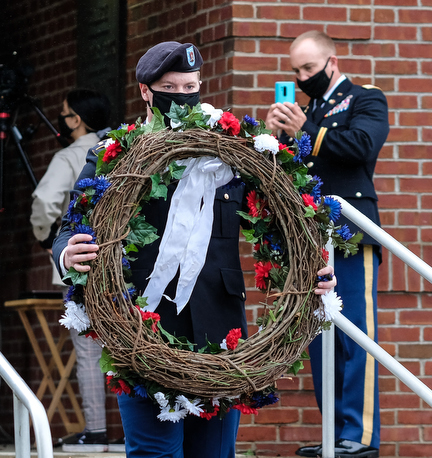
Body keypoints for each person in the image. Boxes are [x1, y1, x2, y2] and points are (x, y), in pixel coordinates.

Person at [52, 41, 338, 458]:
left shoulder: (232, 154)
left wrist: (315, 269)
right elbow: (70, 227)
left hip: (218, 327)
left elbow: (286, 223)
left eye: (192, 86)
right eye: (172, 86)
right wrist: (67, 254)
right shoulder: (114, 155)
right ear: (146, 91)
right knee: (154, 453)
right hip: (139, 327)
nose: (184, 96)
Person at [266, 31, 389, 458]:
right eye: (296, 71)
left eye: (309, 69)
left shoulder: (365, 98)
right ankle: (334, 436)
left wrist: (308, 128)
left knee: (356, 334)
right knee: (321, 339)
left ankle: (361, 434)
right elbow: (294, 173)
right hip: (311, 238)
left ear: (331, 62)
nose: (302, 78)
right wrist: (277, 139)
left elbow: (362, 146)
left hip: (352, 235)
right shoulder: (308, 109)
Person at [29, 88, 113, 451]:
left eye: (64, 114)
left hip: (82, 260)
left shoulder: (71, 155)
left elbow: (46, 200)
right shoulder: (119, 148)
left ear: (77, 119)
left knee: (89, 348)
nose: (62, 120)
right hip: (126, 260)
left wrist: (47, 238)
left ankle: (95, 430)